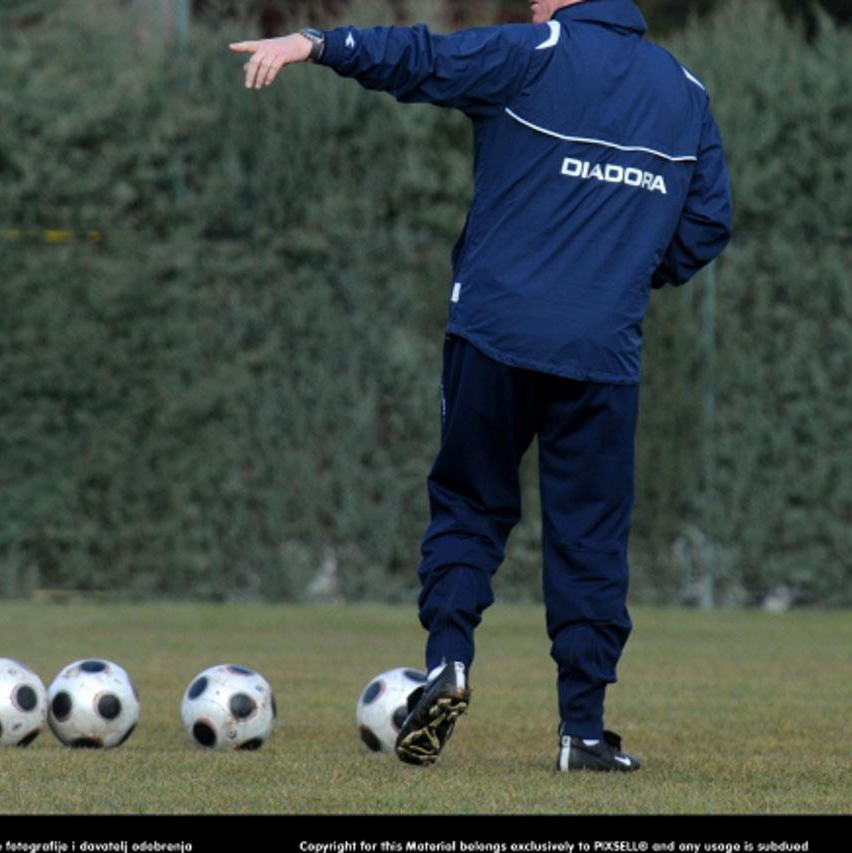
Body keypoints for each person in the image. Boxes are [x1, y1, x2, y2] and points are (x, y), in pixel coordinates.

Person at [230, 0, 732, 771]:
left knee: (470, 504)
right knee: (590, 539)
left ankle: (449, 660)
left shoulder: (538, 50)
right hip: (603, 349)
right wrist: (619, 277)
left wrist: (318, 43)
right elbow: (706, 225)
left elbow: (425, 60)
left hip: (494, 333)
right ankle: (584, 732)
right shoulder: (685, 92)